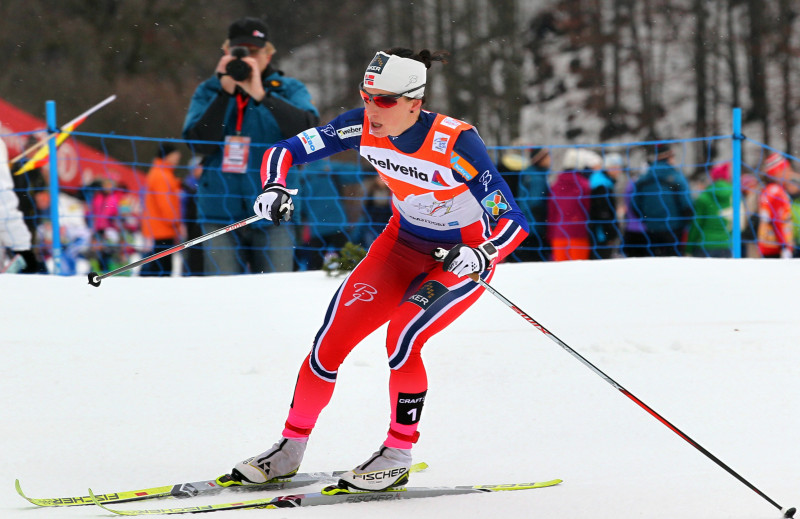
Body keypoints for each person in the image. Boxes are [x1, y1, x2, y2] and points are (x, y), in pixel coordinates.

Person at [231, 48, 529, 492]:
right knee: (329, 343)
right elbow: (284, 150)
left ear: (415, 101)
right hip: (400, 245)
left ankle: (398, 452)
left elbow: (513, 221)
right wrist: (274, 186)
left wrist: (484, 253)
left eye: (385, 100)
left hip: (460, 257)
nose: (372, 109)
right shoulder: (360, 125)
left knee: (404, 337)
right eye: (367, 96)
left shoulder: (455, 143)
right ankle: (289, 448)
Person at [182, 17, 319, 275]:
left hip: (274, 207)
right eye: (239, 52)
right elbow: (197, 144)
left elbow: (309, 135)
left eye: (254, 52)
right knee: (221, 292)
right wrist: (224, 94)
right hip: (219, 209)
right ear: (225, 53)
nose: (249, 59)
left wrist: (262, 95)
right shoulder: (209, 91)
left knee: (274, 292)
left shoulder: (289, 88)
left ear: (268, 54)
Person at [631, 143, 693, 256]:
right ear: (669, 157)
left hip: (651, 228)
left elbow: (635, 203)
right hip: (674, 227)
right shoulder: (676, 177)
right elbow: (686, 203)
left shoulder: (644, 178)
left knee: (655, 260)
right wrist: (687, 221)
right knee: (674, 260)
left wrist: (645, 218)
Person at [0, 137, 45, 273]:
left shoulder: (38, 171)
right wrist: (23, 246)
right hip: (18, 216)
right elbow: (4, 199)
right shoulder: (18, 167)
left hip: (30, 217)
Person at [547, 148, 599, 261]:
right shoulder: (584, 185)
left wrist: (550, 234)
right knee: (578, 272)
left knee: (560, 272)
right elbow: (588, 209)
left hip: (558, 233)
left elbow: (552, 212)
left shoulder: (555, 185)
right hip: (578, 232)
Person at [140, 144, 183, 276]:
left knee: (157, 264)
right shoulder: (162, 175)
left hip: (158, 228)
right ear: (168, 155)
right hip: (162, 229)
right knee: (162, 268)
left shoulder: (161, 173)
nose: (177, 160)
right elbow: (165, 202)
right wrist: (175, 222)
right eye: (175, 156)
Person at [685, 162, 740, 258]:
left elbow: (697, 224)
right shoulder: (735, 195)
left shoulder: (704, 197)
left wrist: (688, 248)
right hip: (725, 244)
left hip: (705, 244)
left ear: (712, 177)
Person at [513, 147, 551, 262]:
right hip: (535, 226)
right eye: (548, 157)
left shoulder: (529, 173)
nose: (550, 160)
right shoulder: (537, 178)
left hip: (525, 222)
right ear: (540, 159)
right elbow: (536, 202)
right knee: (536, 260)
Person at [757, 152, 794, 259]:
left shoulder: (767, 190)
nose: (789, 173)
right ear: (778, 172)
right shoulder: (777, 192)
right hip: (776, 246)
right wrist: (784, 247)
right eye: (787, 169)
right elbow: (777, 220)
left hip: (766, 244)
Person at [588, 152, 623, 259]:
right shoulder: (602, 186)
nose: (619, 170)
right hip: (601, 234)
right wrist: (610, 234)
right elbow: (602, 213)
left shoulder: (602, 182)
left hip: (600, 232)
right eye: (616, 167)